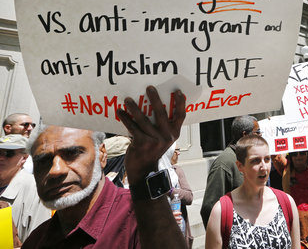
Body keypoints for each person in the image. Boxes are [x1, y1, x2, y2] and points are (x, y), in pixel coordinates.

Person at [22, 86, 188, 249]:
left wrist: (143, 173)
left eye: (72, 153)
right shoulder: (36, 241)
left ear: (102, 155)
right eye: (43, 161)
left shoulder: (141, 217)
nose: (55, 170)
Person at [205, 134, 300, 249]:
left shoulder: (287, 203)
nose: (264, 167)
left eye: (267, 159)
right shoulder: (221, 211)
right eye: (255, 161)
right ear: (240, 166)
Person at [200, 115, 261, 228]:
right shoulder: (224, 163)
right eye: (257, 132)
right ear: (245, 135)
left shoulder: (249, 159)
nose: (261, 135)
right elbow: (209, 208)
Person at [0, 134, 51, 243]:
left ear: (24, 158)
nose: (1, 158)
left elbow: (40, 243)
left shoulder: (35, 190)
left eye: (8, 153)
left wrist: (8, 234)